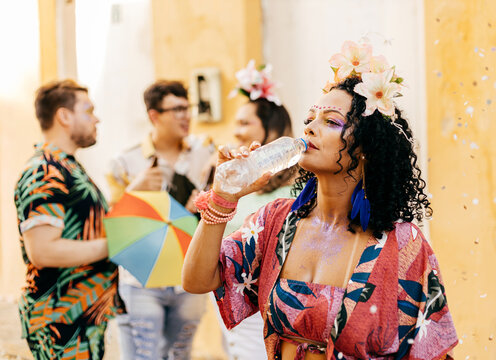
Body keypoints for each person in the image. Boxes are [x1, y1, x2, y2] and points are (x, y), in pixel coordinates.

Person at [182, 41, 458, 359]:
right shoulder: (275, 221)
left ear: (366, 147)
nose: (310, 128)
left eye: (330, 121)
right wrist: (222, 198)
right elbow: (197, 280)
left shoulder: (402, 244)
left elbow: (430, 350)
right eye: (310, 119)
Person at [14, 79, 122, 359]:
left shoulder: (67, 167)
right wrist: (116, 245)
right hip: (60, 320)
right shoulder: (44, 171)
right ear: (64, 115)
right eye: (88, 110)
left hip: (81, 317)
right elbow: (43, 250)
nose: (96, 118)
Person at [106, 80, 213, 360]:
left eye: (187, 107)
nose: (185, 115)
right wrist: (135, 190)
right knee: (144, 356)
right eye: (176, 108)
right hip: (142, 278)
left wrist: (203, 201)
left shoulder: (205, 153)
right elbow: (112, 221)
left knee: (180, 355)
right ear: (154, 115)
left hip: (188, 275)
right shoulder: (125, 161)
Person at [212, 61, 297, 359]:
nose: (236, 132)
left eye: (245, 123)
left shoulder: (295, 190)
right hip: (226, 298)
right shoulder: (234, 180)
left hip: (264, 304)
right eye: (237, 122)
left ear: (270, 130)